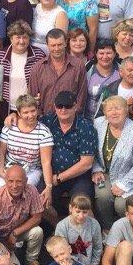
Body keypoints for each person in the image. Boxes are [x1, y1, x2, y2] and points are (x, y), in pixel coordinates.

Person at [91, 96, 133, 229]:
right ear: (105, 113)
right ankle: (108, 228)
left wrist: (123, 185)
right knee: (102, 195)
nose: (114, 112)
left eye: (118, 108)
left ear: (126, 111)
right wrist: (96, 169)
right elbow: (91, 150)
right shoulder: (98, 124)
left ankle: (127, 230)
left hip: (130, 177)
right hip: (105, 174)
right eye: (109, 109)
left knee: (121, 205)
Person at [0, 165, 46, 265]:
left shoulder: (31, 190)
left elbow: (37, 217)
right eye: (10, 181)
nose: (14, 186)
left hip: (18, 231)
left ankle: (31, 261)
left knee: (37, 232)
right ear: (5, 180)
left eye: (19, 181)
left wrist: (15, 233)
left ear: (26, 181)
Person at [42, 90, 98, 218]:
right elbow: (27, 119)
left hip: (78, 177)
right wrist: (13, 116)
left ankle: (92, 230)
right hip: (51, 175)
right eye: (59, 106)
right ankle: (58, 227)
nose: (63, 109)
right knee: (40, 201)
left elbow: (86, 163)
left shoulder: (86, 127)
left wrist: (59, 178)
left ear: (75, 106)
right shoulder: (47, 121)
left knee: (82, 206)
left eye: (68, 106)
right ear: (55, 107)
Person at [0, 94, 54, 191]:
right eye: (26, 112)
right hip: (9, 168)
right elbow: (1, 152)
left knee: (22, 190)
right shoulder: (10, 127)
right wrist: (1, 171)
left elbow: (46, 162)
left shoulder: (44, 132)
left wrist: (49, 186)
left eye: (33, 111)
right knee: (1, 190)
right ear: (19, 113)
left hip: (31, 171)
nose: (30, 115)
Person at [29, 28, 88, 117]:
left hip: (70, 119)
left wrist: (74, 117)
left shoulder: (78, 65)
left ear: (65, 43)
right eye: (53, 45)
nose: (56, 49)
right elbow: (32, 98)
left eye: (59, 45)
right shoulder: (38, 67)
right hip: (44, 119)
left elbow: (82, 95)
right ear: (47, 45)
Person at [0, 20, 47, 117]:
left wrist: (39, 96)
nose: (22, 41)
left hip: (30, 111)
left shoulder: (38, 55)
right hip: (6, 109)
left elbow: (45, 81)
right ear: (11, 38)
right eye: (18, 37)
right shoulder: (1, 56)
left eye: (25, 37)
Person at [54, 195, 103, 265]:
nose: (81, 216)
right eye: (78, 211)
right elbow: (62, 254)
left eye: (85, 212)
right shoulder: (62, 226)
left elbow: (97, 249)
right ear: (70, 208)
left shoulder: (94, 224)